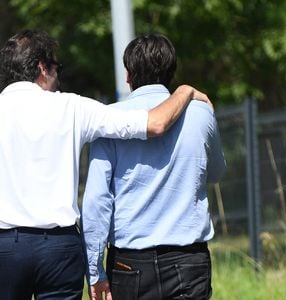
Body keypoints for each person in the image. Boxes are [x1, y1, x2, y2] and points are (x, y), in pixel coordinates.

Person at [0, 29, 210, 300]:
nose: (58, 76)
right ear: (42, 68)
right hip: (59, 250)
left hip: (5, 246)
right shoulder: (72, 108)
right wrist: (184, 91)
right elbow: (155, 123)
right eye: (57, 67)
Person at [82, 33, 226, 300]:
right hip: (188, 260)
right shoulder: (201, 112)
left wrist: (95, 270)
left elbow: (96, 201)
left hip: (128, 263)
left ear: (129, 75)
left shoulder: (109, 120)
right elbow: (216, 172)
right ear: (172, 72)